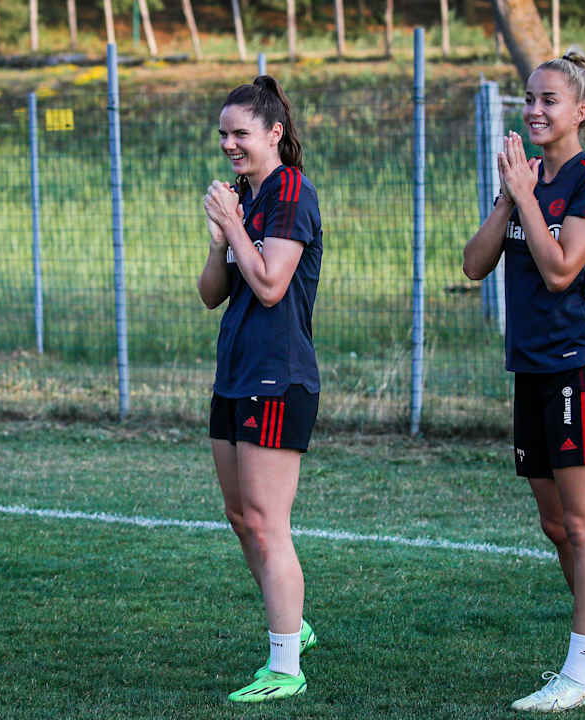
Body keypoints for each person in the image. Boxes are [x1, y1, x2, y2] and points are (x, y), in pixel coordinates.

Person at [462, 48, 585, 713]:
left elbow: (561, 270)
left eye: (548, 100)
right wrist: (511, 195)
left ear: (580, 111)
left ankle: (578, 675)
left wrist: (528, 198)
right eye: (529, 98)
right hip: (531, 370)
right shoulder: (524, 180)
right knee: (556, 522)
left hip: (579, 368)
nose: (534, 109)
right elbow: (474, 264)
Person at [198, 75, 322, 704]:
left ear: (274, 133)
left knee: (269, 524)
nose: (229, 144)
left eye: (240, 133)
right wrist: (221, 238)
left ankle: (285, 666)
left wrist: (235, 226)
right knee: (241, 516)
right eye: (223, 134)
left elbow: (271, 285)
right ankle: (294, 624)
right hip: (235, 373)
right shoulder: (244, 198)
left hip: (278, 376)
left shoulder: (291, 193)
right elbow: (211, 293)